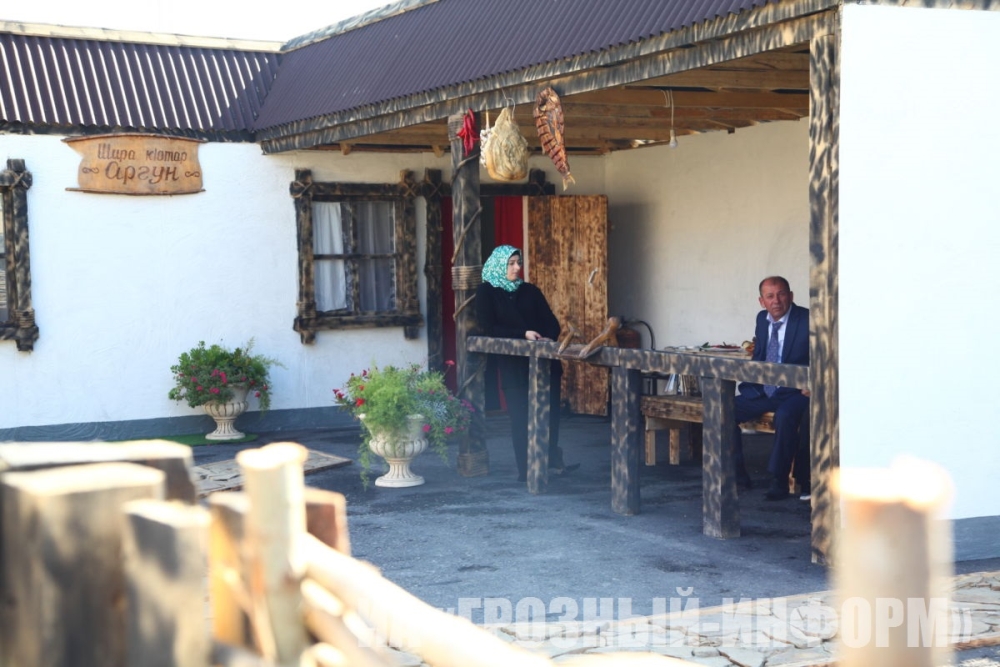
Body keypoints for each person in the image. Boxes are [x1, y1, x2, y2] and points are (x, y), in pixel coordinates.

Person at [476, 245, 571, 482]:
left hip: (545, 365)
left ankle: (548, 462)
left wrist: (547, 337)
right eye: (511, 263)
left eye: (519, 262)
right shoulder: (487, 292)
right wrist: (523, 334)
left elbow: (552, 323)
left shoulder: (530, 291)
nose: (517, 267)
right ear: (499, 265)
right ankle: (527, 471)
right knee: (521, 419)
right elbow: (488, 328)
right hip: (515, 368)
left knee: (549, 417)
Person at [733, 276, 810, 501]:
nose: (776, 301)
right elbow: (761, 354)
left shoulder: (807, 319)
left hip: (796, 391)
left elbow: (826, 353)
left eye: (781, 294)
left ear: (791, 296)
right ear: (762, 301)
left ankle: (779, 479)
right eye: (770, 296)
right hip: (765, 389)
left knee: (785, 416)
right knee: (723, 410)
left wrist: (814, 381)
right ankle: (737, 474)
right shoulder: (762, 319)